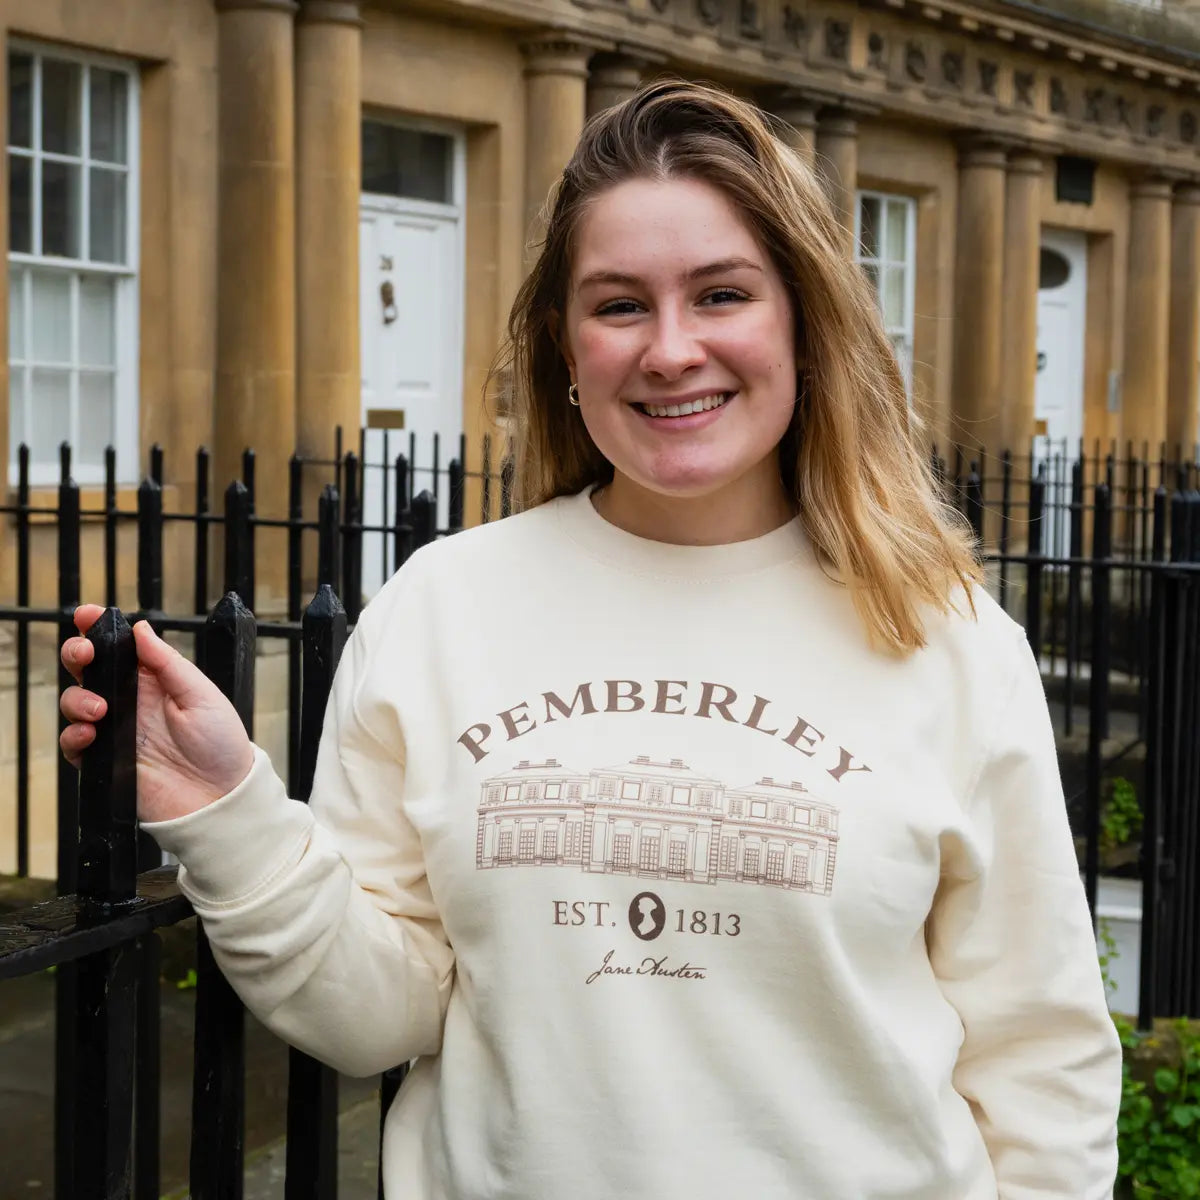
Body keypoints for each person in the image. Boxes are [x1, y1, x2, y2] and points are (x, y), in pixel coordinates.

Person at [60, 80, 1121, 1198]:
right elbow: (381, 1016)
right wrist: (229, 821)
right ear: (564, 345)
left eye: (721, 294)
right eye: (619, 305)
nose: (670, 350)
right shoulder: (443, 608)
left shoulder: (945, 639)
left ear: (805, 323)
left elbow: (1039, 1060)